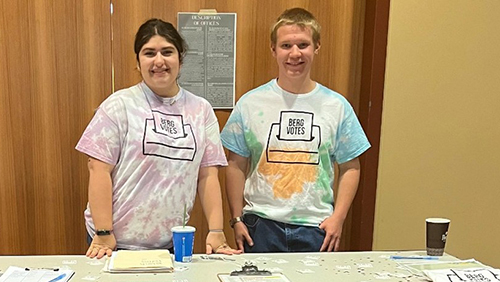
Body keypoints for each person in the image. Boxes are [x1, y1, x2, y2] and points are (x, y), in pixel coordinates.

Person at [76, 18, 240, 258]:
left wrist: (216, 230)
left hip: (171, 243)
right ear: (138, 62)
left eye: (167, 52)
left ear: (180, 59)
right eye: (149, 53)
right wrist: (102, 231)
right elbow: (98, 169)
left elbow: (208, 174)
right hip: (112, 242)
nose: (159, 61)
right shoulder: (119, 105)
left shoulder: (201, 110)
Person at [220, 8, 371, 253]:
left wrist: (339, 218)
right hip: (260, 226)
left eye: (303, 44)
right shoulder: (250, 103)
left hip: (316, 228)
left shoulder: (337, 106)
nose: (295, 54)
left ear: (317, 47)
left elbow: (351, 167)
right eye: (286, 45)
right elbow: (236, 164)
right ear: (273, 50)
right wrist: (236, 219)